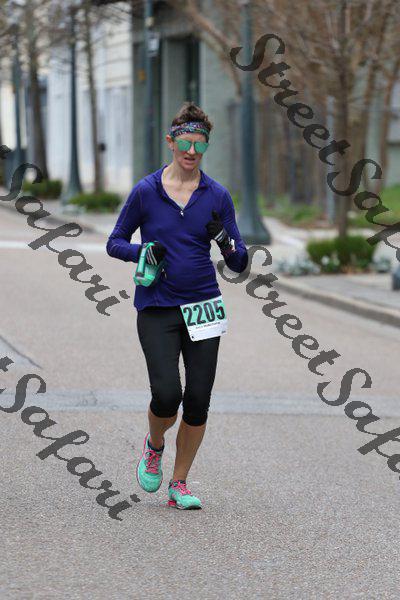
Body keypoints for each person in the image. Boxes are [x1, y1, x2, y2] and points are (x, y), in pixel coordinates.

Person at [106, 101, 248, 510]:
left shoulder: (216, 195)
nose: (191, 152)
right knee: (168, 395)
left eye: (200, 145)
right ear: (170, 142)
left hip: (203, 306)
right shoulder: (146, 191)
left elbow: (239, 262)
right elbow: (115, 242)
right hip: (157, 305)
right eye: (185, 144)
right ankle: (154, 444)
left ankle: (179, 483)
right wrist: (143, 252)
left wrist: (225, 241)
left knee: (198, 399)